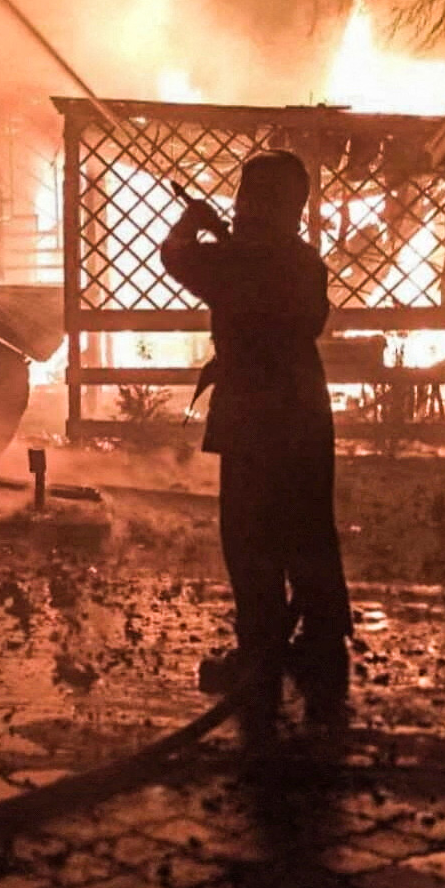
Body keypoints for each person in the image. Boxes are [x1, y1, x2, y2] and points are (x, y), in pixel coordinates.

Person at [160, 152, 351, 737]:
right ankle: (322, 642)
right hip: (304, 413)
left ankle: (261, 653)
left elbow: (174, 255)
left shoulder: (234, 263)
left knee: (250, 538)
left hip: (252, 416)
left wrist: (193, 216)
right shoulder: (303, 262)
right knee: (308, 529)